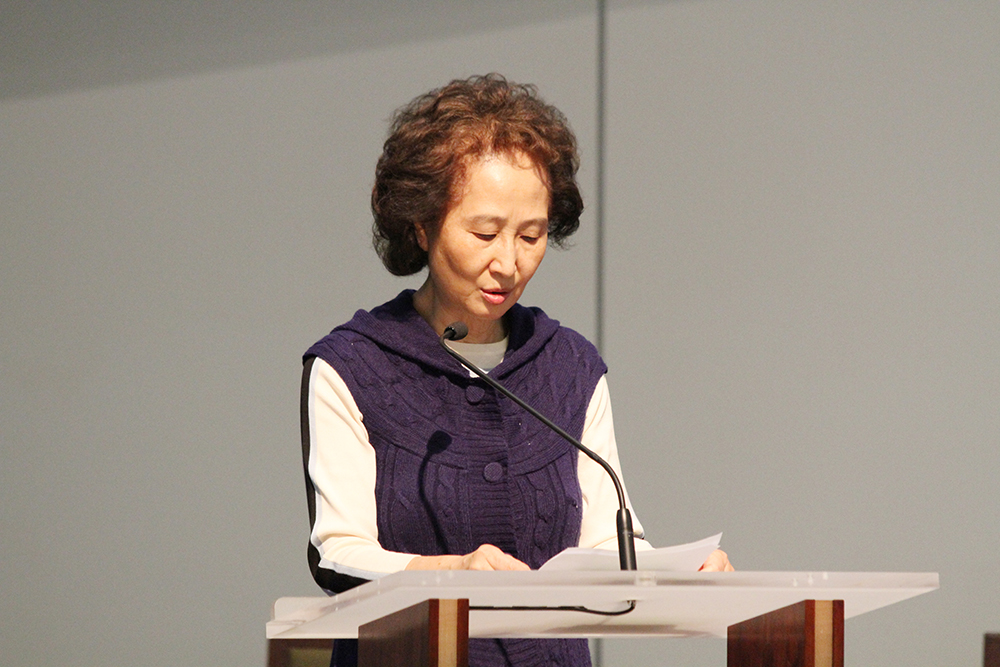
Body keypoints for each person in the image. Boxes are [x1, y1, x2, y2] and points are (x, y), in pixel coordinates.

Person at [300, 73, 732, 667]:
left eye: (531, 236)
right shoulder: (354, 365)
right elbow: (339, 555)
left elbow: (605, 545)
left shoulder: (569, 366)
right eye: (484, 233)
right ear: (421, 226)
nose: (508, 262)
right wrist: (450, 572)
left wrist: (680, 576)